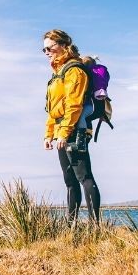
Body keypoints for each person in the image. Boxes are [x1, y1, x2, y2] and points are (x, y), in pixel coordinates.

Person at [43, 30, 101, 223]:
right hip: (62, 131)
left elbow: (73, 105)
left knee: (84, 176)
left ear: (62, 45)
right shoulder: (57, 74)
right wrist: (49, 134)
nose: (46, 52)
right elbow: (53, 109)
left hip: (76, 128)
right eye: (43, 49)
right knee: (69, 180)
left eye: (49, 47)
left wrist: (64, 133)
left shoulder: (74, 70)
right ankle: (71, 226)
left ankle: (95, 227)